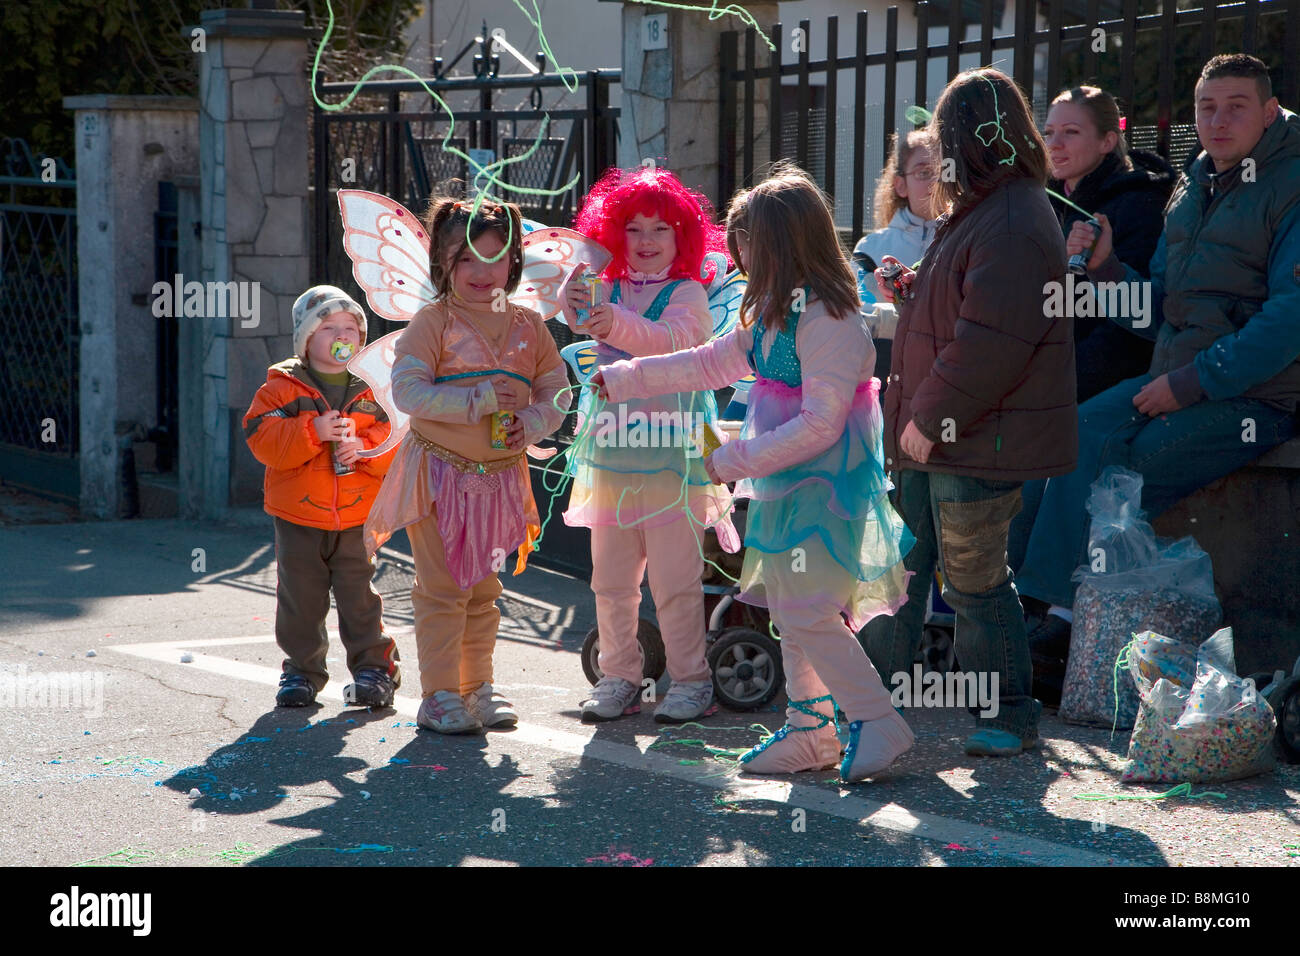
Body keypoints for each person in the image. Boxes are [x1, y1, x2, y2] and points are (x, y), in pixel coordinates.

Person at [594, 163, 916, 782]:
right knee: (794, 608)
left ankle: (877, 720)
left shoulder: (829, 317)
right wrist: (628, 378)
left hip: (828, 484)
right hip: (787, 479)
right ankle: (810, 731)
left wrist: (729, 460)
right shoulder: (774, 308)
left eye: (746, 242)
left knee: (807, 609)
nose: (735, 255)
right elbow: (709, 363)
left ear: (780, 244)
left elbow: (822, 424)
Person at [1017, 54, 1300, 671]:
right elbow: (1162, 307)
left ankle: (1060, 628)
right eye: (1206, 107)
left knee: (1123, 471)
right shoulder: (1195, 181)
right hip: (1173, 373)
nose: (1218, 121)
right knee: (1069, 435)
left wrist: (1195, 380)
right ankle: (1021, 610)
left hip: (1260, 396)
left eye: (1236, 107)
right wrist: (1108, 272)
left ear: (1270, 111)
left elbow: (1291, 318)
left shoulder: (1291, 180)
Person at [875, 67, 1076, 757]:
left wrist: (928, 420)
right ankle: (873, 707)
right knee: (905, 572)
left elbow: (992, 342)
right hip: (946, 435)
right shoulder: (995, 208)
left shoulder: (1014, 214)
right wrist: (913, 292)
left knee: (974, 582)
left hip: (968, 439)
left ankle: (1009, 716)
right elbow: (968, 317)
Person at [362, 198, 569, 734]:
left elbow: (557, 389)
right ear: (443, 264)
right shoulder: (433, 321)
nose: (483, 272)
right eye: (466, 260)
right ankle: (438, 696)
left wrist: (536, 421)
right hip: (438, 476)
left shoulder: (529, 324)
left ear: (514, 261)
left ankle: (478, 688)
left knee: (484, 590)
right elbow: (407, 391)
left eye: (495, 258)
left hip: (501, 478)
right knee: (442, 589)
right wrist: (476, 400)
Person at [559, 165, 739, 725]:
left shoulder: (689, 292)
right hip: (612, 458)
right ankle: (619, 676)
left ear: (681, 236)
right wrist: (574, 299)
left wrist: (607, 320)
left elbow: (672, 344)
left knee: (675, 581)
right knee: (611, 580)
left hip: (675, 462)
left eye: (659, 230)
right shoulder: (605, 285)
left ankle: (691, 681)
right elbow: (579, 319)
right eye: (632, 229)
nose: (645, 242)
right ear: (615, 233)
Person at [242, 285, 401, 708]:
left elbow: (397, 441)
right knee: (300, 597)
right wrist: (312, 432)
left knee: (359, 596)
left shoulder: (374, 388)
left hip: (356, 515)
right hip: (297, 516)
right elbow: (262, 440)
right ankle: (301, 671)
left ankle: (375, 670)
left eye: (350, 326)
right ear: (306, 338)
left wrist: (365, 448)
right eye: (328, 326)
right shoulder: (281, 388)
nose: (341, 333)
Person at [1043, 86, 1174, 401]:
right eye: (1048, 132)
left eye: (1071, 132)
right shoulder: (1043, 201)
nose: (1054, 144)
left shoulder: (1139, 204)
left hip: (1092, 389)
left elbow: (1129, 331)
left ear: (1107, 141)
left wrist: (1053, 385)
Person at [852, 129, 942, 381]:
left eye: (943, 170)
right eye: (924, 172)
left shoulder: (970, 239)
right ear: (900, 185)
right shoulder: (871, 249)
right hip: (888, 374)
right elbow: (858, 315)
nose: (936, 181)